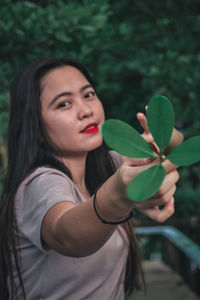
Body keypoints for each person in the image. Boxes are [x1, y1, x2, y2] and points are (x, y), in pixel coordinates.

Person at [0, 57, 181, 300]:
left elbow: (177, 146)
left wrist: (158, 137)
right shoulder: (39, 183)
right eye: (64, 104)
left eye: (88, 95)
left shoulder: (109, 165)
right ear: (37, 128)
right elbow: (68, 236)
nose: (86, 111)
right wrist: (117, 198)